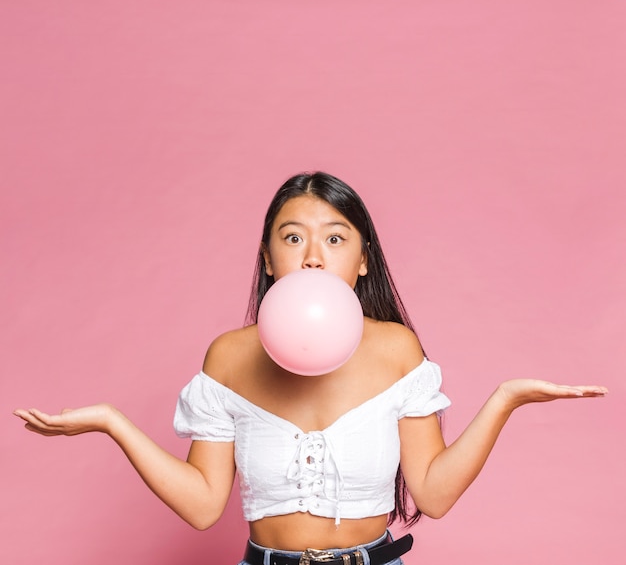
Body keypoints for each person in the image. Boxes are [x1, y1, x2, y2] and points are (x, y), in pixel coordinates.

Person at [14, 171, 608, 565]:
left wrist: (504, 399)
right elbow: (201, 506)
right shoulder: (228, 357)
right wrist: (114, 423)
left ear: (363, 261)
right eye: (293, 238)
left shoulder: (398, 349)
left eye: (336, 237)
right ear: (269, 259)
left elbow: (434, 492)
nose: (314, 256)